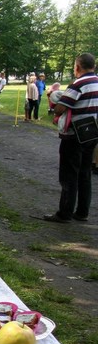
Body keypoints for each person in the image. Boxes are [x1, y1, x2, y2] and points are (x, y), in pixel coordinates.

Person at [44, 53, 98, 223]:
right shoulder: (96, 82)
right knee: (85, 173)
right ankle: (82, 211)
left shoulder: (78, 84)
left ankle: (65, 213)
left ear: (77, 67)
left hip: (74, 134)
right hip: (92, 132)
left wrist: (53, 96)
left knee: (69, 174)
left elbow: (60, 108)